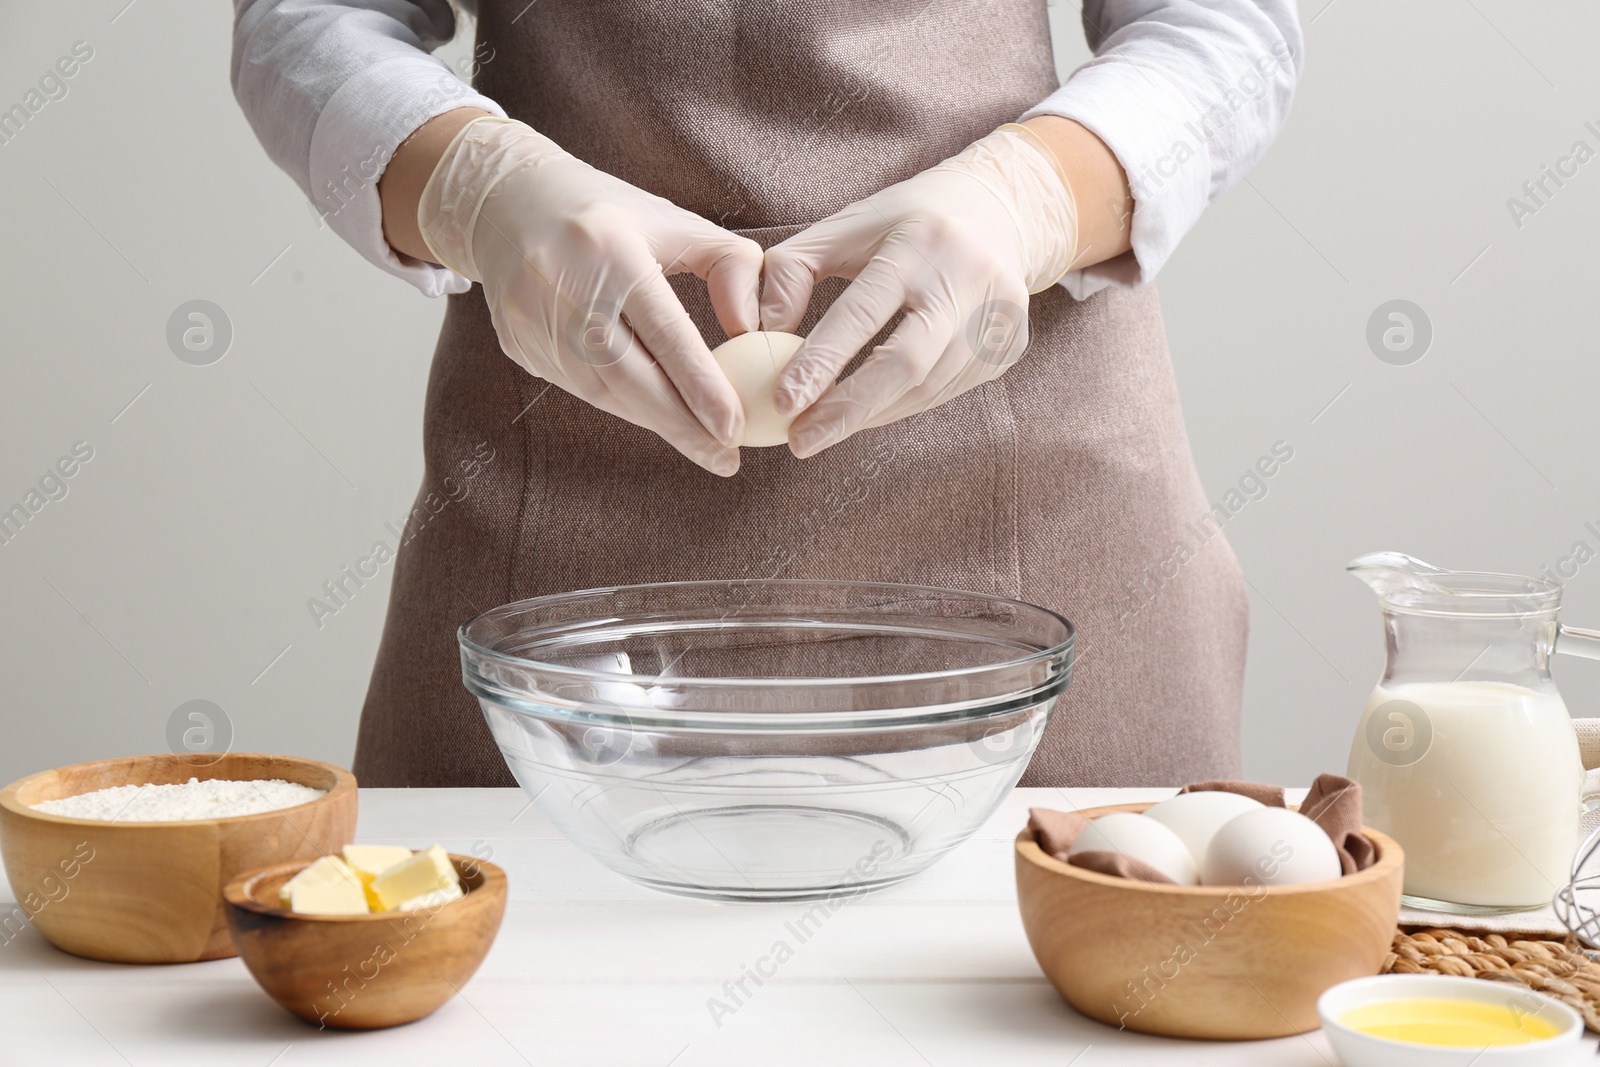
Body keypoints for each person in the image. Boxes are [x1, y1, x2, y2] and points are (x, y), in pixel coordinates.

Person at [232, 0, 1302, 787]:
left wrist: (1027, 201)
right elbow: (305, 20)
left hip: (1038, 482)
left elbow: (1222, 25)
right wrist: (478, 189)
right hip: (558, 509)